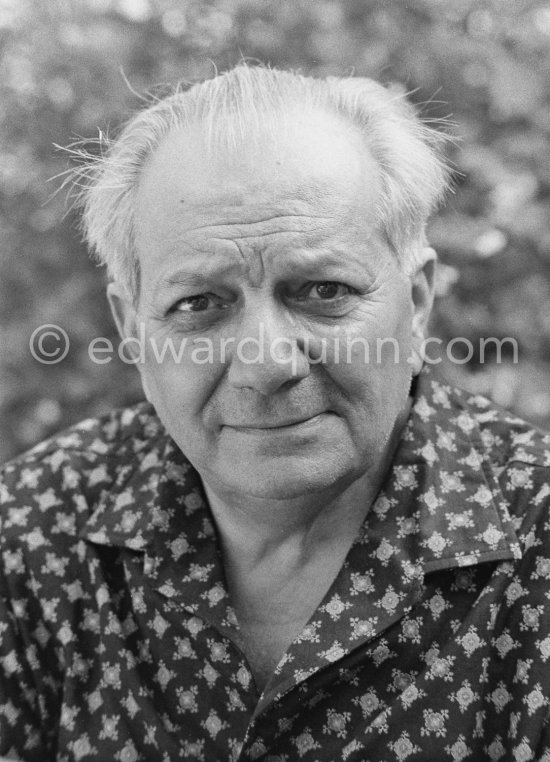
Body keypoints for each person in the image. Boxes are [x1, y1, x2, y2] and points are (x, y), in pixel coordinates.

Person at [1, 64, 550, 762]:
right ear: (134, 330)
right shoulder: (28, 538)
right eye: (199, 303)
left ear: (415, 306)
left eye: (322, 288)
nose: (267, 363)